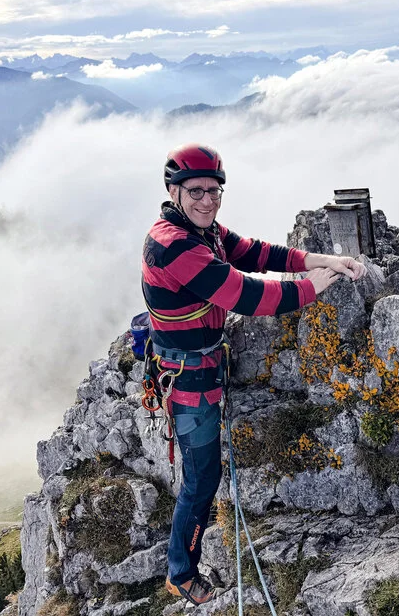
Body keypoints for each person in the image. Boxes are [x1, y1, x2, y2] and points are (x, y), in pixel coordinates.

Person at [141, 143, 366, 605]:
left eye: (215, 191)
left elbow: (256, 253)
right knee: (202, 478)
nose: (208, 200)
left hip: (200, 365)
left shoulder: (202, 232)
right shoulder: (172, 245)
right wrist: (309, 290)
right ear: (174, 191)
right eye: (197, 191)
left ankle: (183, 563)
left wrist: (319, 260)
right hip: (189, 381)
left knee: (205, 474)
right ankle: (181, 572)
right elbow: (241, 294)